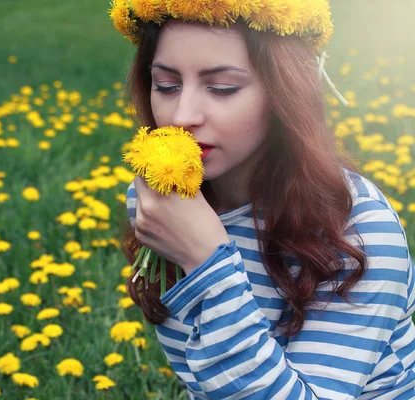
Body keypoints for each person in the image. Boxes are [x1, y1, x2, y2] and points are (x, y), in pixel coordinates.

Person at [112, 0, 415, 398]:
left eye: (222, 88)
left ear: (284, 93)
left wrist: (207, 263)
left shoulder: (357, 231)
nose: (182, 115)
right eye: (166, 85)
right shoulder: (160, 202)